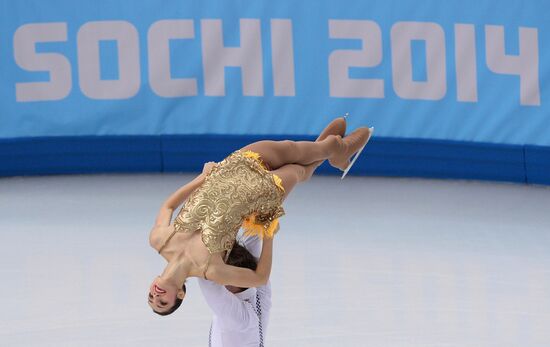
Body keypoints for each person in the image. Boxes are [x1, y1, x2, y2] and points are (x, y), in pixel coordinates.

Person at [147, 116, 373, 315]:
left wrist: (201, 178)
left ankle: (335, 154)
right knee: (299, 170)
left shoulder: (160, 241)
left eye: (151, 298)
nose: (156, 296)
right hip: (262, 193)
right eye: (162, 302)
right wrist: (268, 235)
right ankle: (336, 150)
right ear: (180, 295)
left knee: (293, 149)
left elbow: (168, 206)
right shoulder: (212, 270)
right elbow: (259, 279)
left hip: (235, 166)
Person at [198, 232, 271, 347]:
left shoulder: (236, 315)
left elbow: (205, 274)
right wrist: (268, 233)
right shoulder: (255, 282)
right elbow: (253, 236)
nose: (217, 276)